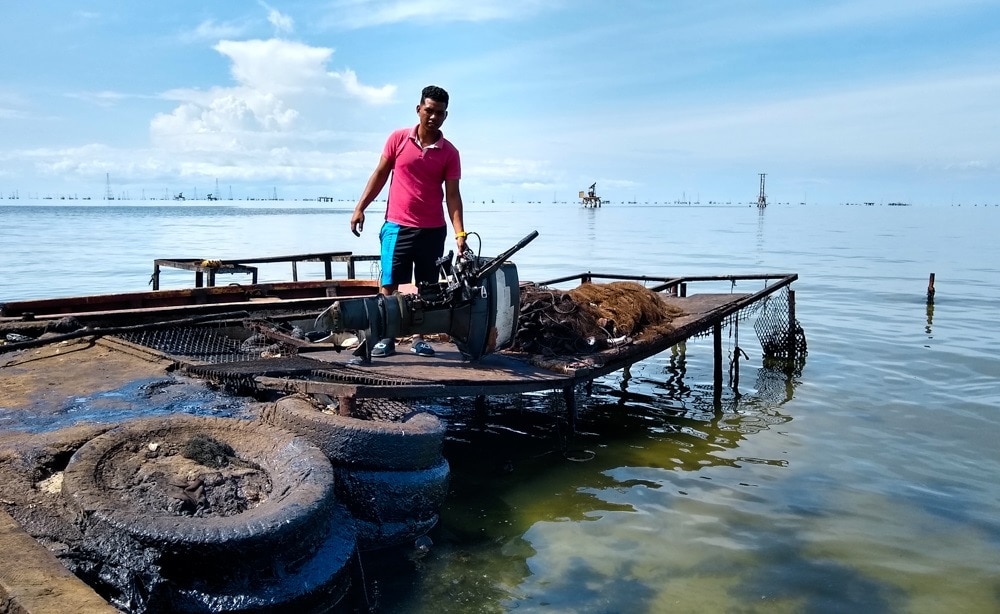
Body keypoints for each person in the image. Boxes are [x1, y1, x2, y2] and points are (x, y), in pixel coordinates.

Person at [350, 85, 467, 358]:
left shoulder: (450, 152)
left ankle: (419, 338)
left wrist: (460, 234)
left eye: (440, 113)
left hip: (433, 230)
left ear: (446, 115)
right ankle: (385, 337)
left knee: (428, 287)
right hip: (397, 225)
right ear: (418, 109)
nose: (433, 117)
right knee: (389, 283)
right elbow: (380, 174)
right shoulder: (398, 139)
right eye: (429, 110)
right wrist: (360, 208)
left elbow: (453, 196)